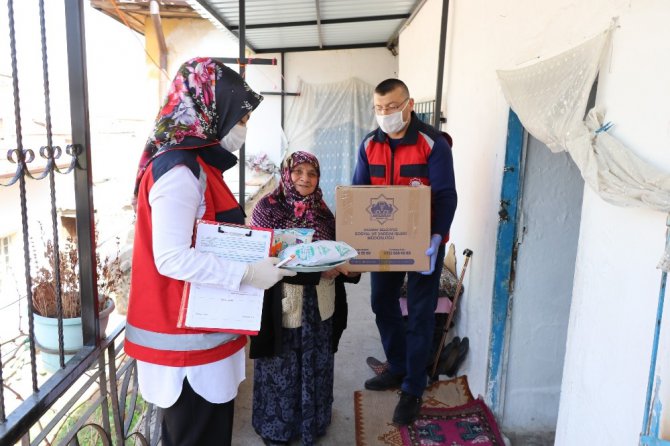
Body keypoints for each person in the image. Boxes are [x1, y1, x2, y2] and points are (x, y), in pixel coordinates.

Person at [124, 57, 296, 446]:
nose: (243, 128)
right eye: (240, 117)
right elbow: (171, 257)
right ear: (210, 108)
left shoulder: (195, 163)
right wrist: (247, 273)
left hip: (199, 333)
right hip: (185, 346)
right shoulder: (181, 171)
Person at [352, 78, 457, 425]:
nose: (386, 115)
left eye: (393, 107)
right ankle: (397, 367)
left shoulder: (433, 143)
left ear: (409, 105)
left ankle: (413, 387)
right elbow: (358, 194)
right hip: (385, 242)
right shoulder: (369, 145)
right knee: (382, 302)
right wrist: (357, 241)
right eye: (379, 109)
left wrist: (437, 238)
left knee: (420, 311)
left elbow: (445, 195)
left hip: (423, 243)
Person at [249, 151, 360, 446]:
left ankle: (314, 421)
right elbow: (262, 261)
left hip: (319, 306)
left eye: (312, 173)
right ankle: (277, 428)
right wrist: (315, 272)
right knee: (280, 365)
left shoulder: (324, 213)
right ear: (287, 173)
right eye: (299, 172)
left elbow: (341, 254)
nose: (305, 179)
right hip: (282, 304)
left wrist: (343, 268)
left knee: (316, 361)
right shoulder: (266, 209)